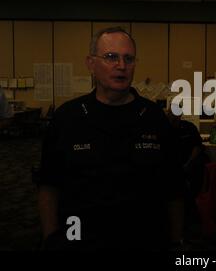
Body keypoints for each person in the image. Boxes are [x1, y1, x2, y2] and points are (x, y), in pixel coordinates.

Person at [35, 27, 184, 250]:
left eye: (129, 58)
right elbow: (49, 185)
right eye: (111, 57)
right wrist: (51, 239)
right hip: (82, 239)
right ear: (91, 64)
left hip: (145, 238)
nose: (121, 66)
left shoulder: (154, 117)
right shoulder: (68, 118)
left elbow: (173, 188)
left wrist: (175, 242)